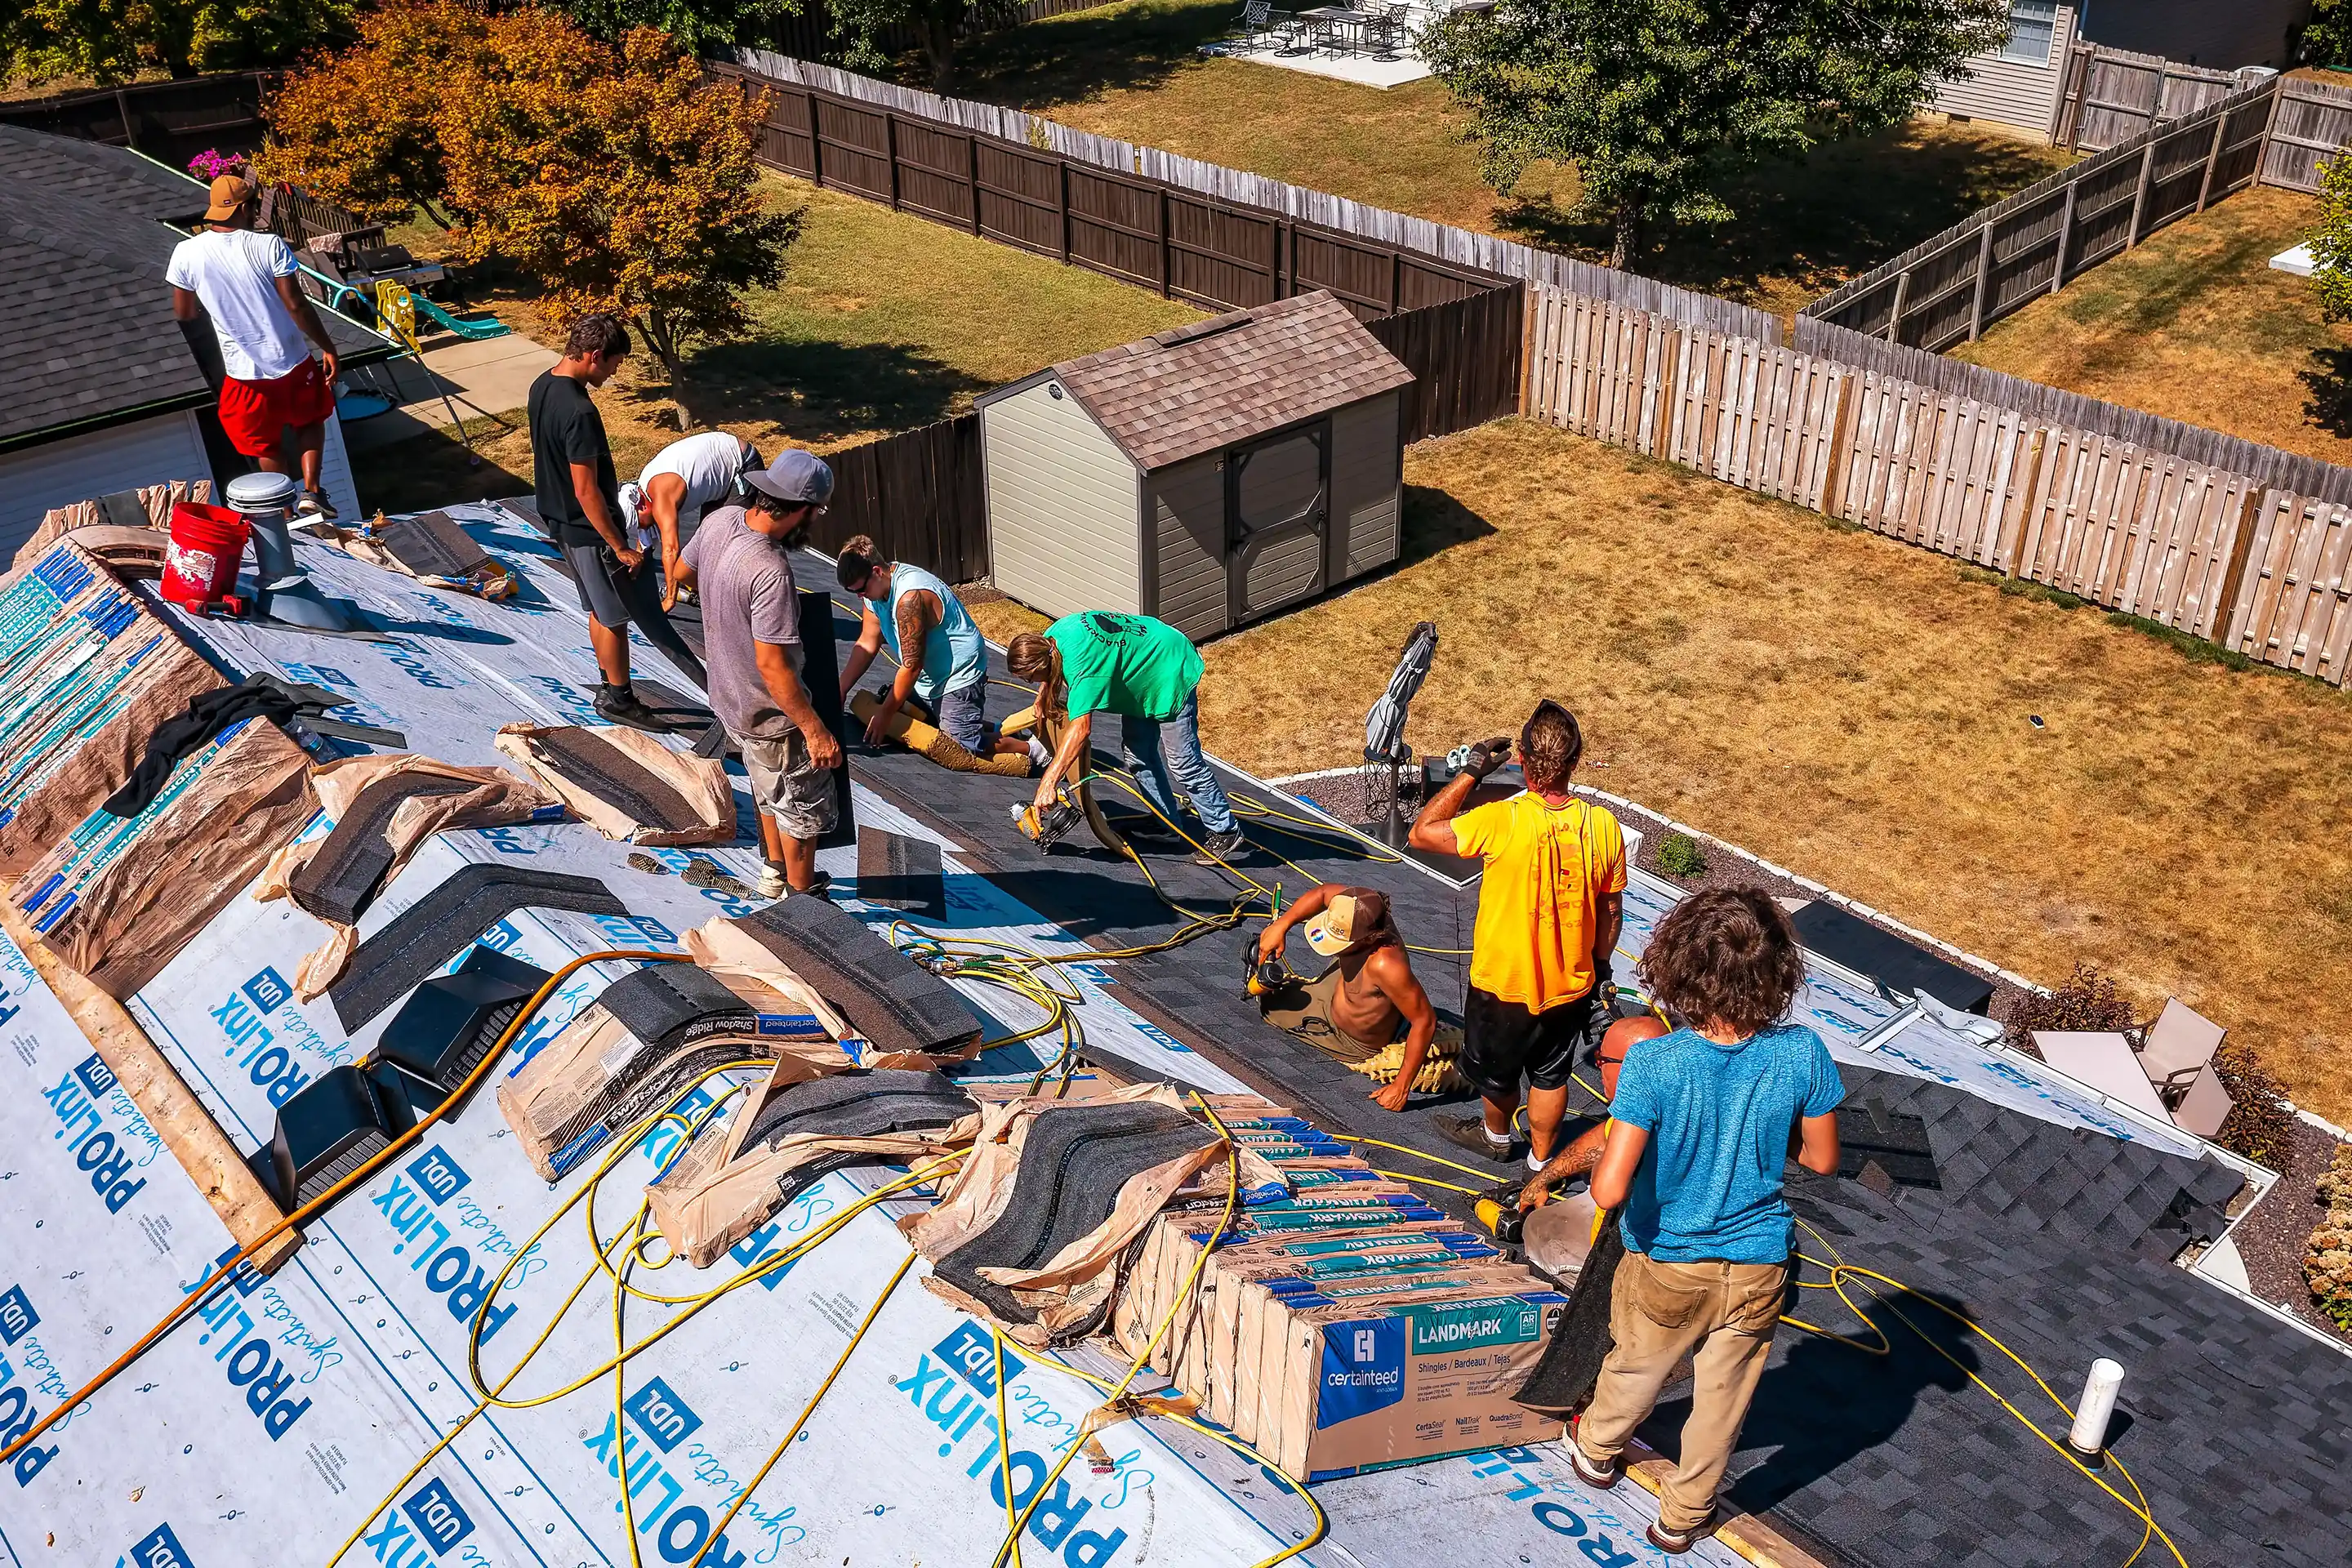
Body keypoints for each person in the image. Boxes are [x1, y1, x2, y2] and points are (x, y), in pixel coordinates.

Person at [1570, 888, 1844, 1555]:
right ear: (1778, 972)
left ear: (1678, 967)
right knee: (1723, 1401)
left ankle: (1598, 1450)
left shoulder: (1656, 1062)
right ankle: (1683, 1516)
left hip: (1669, 1261)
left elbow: (1607, 1192)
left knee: (1637, 1366)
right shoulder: (1803, 1052)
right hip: (1758, 1267)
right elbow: (1822, 1159)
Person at [1409, 701, 1624, 1170]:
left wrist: (1470, 774)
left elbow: (1422, 833)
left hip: (1502, 984)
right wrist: (1601, 966)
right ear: (1574, 761)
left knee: (1496, 1075)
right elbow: (1610, 910)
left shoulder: (1502, 820)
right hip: (1572, 982)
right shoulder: (1604, 827)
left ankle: (1497, 1136)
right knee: (1551, 1075)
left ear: (1522, 760)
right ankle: (1540, 1165)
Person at [677, 450, 844, 899]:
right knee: (802, 811)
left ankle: (773, 874)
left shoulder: (719, 520)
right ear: (804, 510)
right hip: (773, 714)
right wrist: (815, 730)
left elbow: (680, 572)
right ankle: (801, 900)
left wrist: (724, 606)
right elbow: (774, 667)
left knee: (766, 787)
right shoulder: (770, 571)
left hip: (730, 699)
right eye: (817, 513)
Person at [527, 314, 706, 728]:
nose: (612, 373)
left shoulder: (543, 385)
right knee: (614, 617)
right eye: (613, 364)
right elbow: (586, 490)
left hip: (559, 522)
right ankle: (619, 700)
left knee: (596, 608)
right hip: (588, 530)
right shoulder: (579, 411)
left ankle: (610, 686)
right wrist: (620, 544)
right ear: (594, 356)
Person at [166, 173, 344, 519]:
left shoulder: (186, 252)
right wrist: (328, 347)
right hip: (291, 360)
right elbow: (296, 304)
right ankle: (312, 492)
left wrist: (221, 309)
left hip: (242, 372)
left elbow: (184, 312)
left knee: (265, 442)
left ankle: (285, 513)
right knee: (310, 421)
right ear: (245, 207)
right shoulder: (268, 245)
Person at [1005, 612, 1242, 865]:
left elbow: (1081, 730)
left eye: (1031, 679)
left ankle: (1225, 830)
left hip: (1171, 668)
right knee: (1138, 754)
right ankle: (1166, 823)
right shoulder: (1054, 636)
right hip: (1145, 661)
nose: (1032, 684)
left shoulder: (1084, 671)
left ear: (1041, 665)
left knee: (1183, 763)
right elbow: (1051, 666)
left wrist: (1049, 782)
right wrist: (1044, 694)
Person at [835, 537, 1028, 762]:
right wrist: (840, 690)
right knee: (911, 711)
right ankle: (997, 727)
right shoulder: (874, 592)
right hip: (929, 676)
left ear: (877, 571)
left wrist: (885, 714)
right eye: (852, 592)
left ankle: (1031, 750)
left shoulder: (909, 598)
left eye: (860, 589)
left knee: (964, 746)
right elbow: (868, 643)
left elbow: (912, 666)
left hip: (958, 673)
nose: (859, 596)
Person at [1253, 885, 1439, 1112]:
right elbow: (1323, 894)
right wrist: (1282, 924)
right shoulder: (1361, 908)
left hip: (1351, 1038)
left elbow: (1425, 1021)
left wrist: (1401, 1087)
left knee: (1270, 1008)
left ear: (1370, 938)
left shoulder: (1386, 966)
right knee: (1271, 989)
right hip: (1338, 991)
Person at [617, 430, 762, 607]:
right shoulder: (643, 493)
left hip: (742, 464)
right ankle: (700, 589)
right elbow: (646, 536)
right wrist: (638, 561)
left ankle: (741, 598)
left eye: (639, 523)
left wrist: (670, 599)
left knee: (726, 539)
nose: (642, 527)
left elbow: (671, 550)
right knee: (707, 538)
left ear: (642, 506)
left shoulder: (662, 494)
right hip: (720, 465)